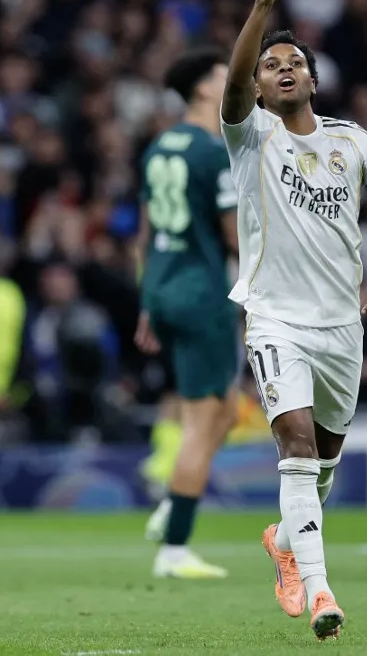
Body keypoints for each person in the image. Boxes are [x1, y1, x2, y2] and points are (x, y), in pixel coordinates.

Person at [221, 0, 367, 641]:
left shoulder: (354, 141)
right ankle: (319, 590)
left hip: (343, 327)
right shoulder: (251, 138)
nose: (282, 70)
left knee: (324, 460)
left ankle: (286, 540)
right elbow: (231, 87)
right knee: (298, 448)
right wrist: (263, 8)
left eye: (294, 62)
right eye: (271, 64)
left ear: (314, 78)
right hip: (274, 319)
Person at [135, 50, 241, 580]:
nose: (235, 80)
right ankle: (174, 548)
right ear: (203, 89)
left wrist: (147, 300)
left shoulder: (159, 148)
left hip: (166, 289)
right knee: (203, 422)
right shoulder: (210, 152)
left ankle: (174, 502)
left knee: (223, 411)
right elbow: (233, 237)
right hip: (202, 295)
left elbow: (148, 232)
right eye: (226, 76)